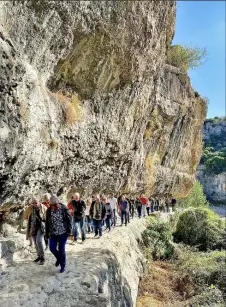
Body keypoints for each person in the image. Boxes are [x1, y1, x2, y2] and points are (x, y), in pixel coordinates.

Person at [45, 195, 72, 273]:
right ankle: (59, 258)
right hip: (53, 233)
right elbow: (47, 223)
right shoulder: (49, 210)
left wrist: (69, 231)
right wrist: (47, 233)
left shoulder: (64, 208)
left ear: (58, 203)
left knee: (61, 249)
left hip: (63, 233)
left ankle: (62, 265)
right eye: (52, 205)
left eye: (55, 205)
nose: (54, 206)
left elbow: (69, 220)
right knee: (52, 248)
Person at [26, 197, 47, 264]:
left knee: (39, 241)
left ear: (39, 202)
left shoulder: (43, 207)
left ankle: (43, 258)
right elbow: (26, 216)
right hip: (33, 227)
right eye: (33, 203)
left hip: (41, 227)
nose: (35, 204)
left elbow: (47, 217)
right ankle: (39, 256)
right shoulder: (30, 208)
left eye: (36, 203)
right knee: (35, 242)